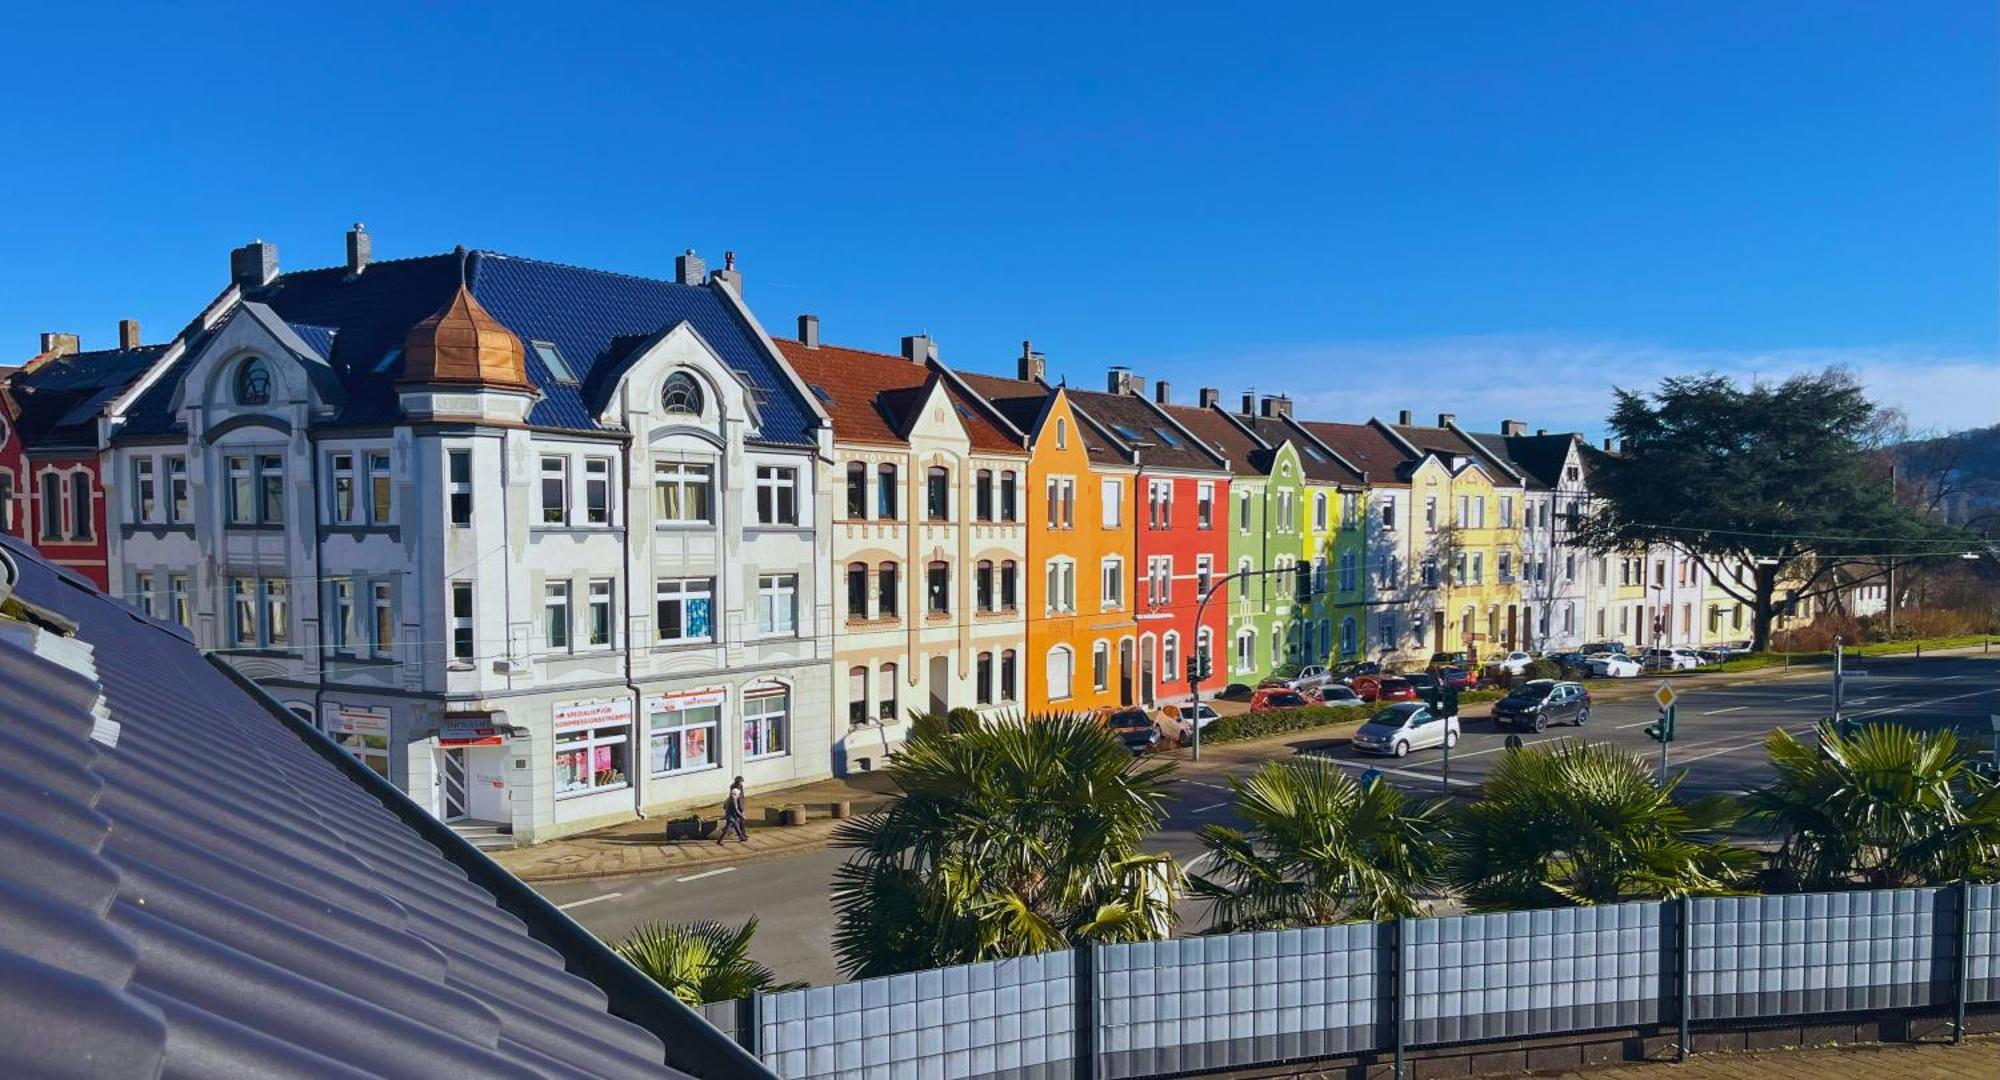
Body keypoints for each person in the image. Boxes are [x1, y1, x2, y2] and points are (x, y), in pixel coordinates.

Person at [717, 776, 747, 845]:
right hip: (731, 816)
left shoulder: (729, 799)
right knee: (727, 829)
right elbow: (736, 809)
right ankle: (719, 840)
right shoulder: (734, 800)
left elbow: (725, 806)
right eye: (738, 794)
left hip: (730, 815)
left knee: (736, 826)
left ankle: (741, 837)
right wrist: (741, 815)